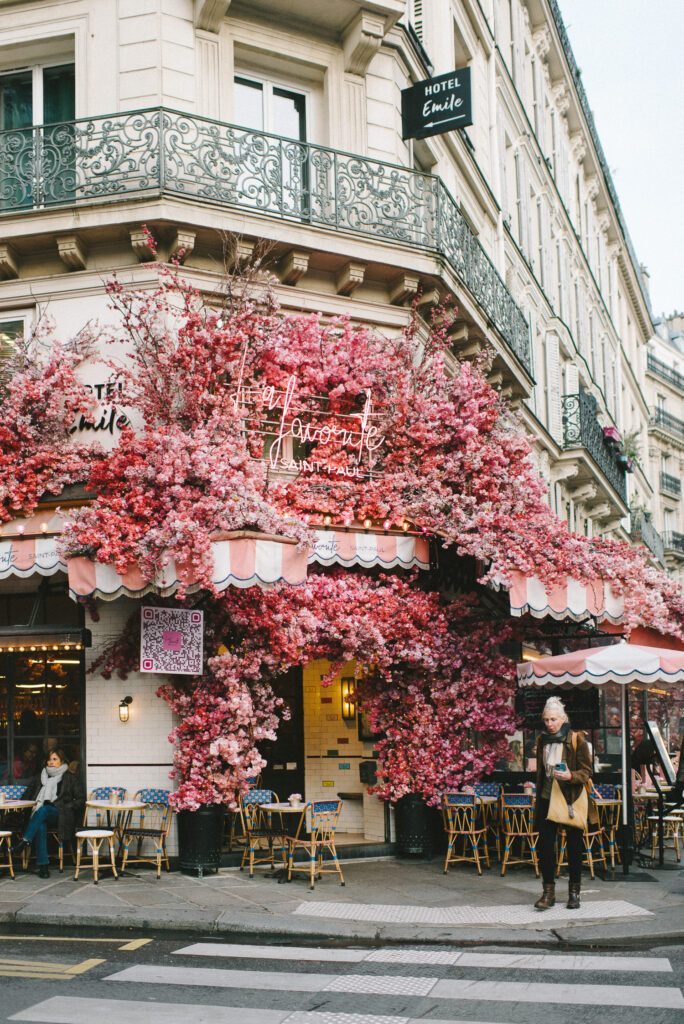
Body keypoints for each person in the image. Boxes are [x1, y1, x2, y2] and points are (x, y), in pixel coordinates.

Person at [532, 695, 594, 911]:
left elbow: (587, 771)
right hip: (547, 799)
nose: (550, 724)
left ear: (562, 719)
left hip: (570, 798)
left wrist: (571, 776)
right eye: (547, 720)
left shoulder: (577, 740)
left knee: (574, 847)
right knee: (545, 847)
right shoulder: (541, 741)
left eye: (553, 720)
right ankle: (548, 894)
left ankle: (574, 893)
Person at [12, 749, 84, 878]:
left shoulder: (69, 777)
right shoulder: (40, 777)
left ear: (62, 761)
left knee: (44, 809)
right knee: (41, 824)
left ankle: (24, 841)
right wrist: (26, 803)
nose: (51, 762)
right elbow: (26, 795)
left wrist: (66, 806)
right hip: (41, 814)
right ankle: (43, 866)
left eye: (55, 759)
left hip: (61, 814)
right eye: (49, 759)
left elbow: (80, 799)